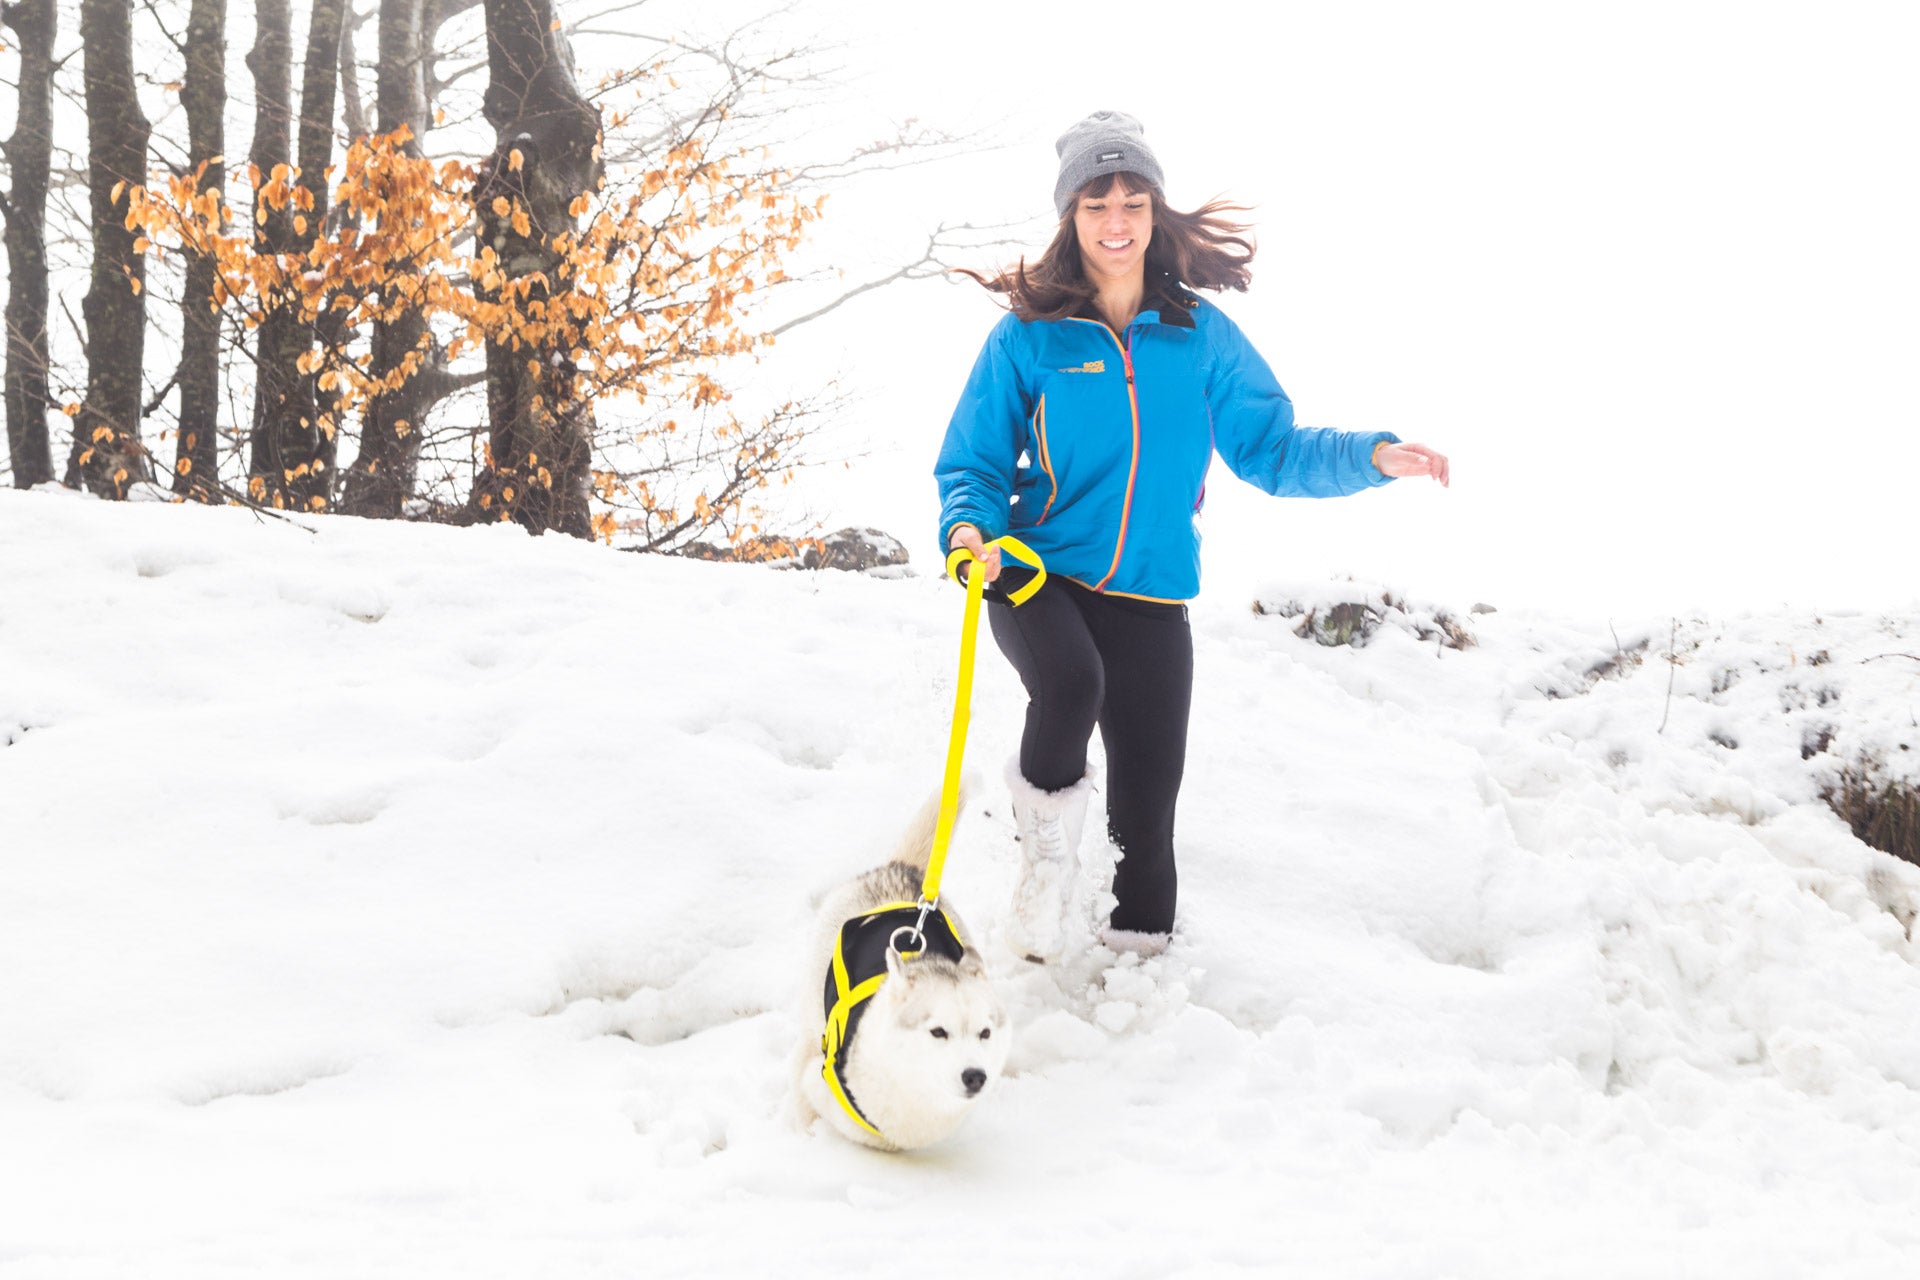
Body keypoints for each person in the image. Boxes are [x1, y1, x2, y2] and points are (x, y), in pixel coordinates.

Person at [934, 110, 1449, 961]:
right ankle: (1043, 864)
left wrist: (1373, 455)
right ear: (1071, 216)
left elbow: (1272, 449)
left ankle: (1134, 983)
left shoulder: (1197, 336)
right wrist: (969, 531)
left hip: (1153, 589)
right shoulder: (1029, 335)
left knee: (1147, 822)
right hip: (1037, 571)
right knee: (1069, 685)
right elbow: (975, 461)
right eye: (1096, 203)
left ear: (1155, 212)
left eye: (1133, 201)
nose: (1116, 221)